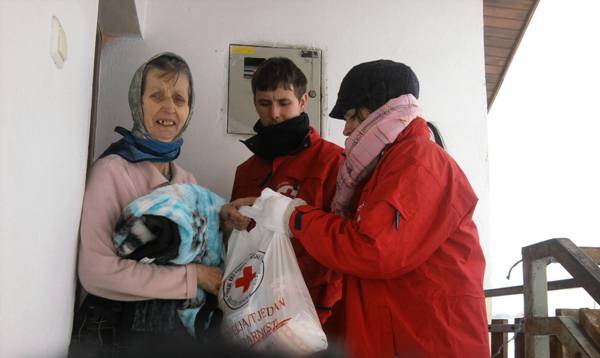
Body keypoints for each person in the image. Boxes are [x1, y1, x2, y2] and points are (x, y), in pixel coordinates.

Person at [251, 60, 490, 357]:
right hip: (396, 335)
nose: (348, 131)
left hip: (429, 340)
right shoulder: (386, 165)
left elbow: (373, 249)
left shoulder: (418, 161)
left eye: (351, 117)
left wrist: (293, 215)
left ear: (380, 109)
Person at [72, 52, 222, 356]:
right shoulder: (112, 171)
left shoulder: (187, 182)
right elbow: (96, 273)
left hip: (169, 333)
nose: (169, 107)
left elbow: (204, 254)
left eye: (179, 99)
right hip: (113, 333)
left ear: (189, 110)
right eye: (156, 95)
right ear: (137, 102)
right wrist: (193, 278)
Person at [225, 57, 345, 328]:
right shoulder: (246, 171)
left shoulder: (333, 161)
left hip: (317, 308)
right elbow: (237, 242)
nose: (274, 114)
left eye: (284, 103)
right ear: (255, 103)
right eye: (264, 104)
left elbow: (344, 239)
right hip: (255, 310)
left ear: (303, 102)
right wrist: (226, 217)